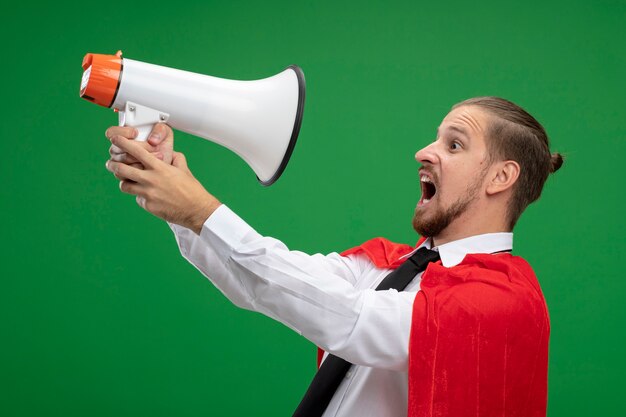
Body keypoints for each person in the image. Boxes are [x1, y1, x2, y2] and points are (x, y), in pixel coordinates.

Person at [104, 96, 563, 417]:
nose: (424, 152)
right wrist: (175, 201)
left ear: (501, 177)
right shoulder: (390, 266)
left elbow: (351, 321)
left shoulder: (502, 303)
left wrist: (202, 209)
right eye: (436, 139)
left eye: (454, 144)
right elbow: (264, 283)